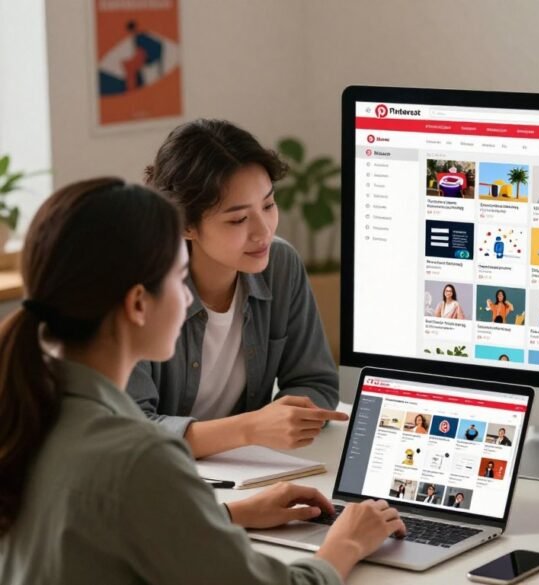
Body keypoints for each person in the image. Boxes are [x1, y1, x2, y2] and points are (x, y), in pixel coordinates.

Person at [0, 178, 405, 584]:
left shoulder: (29, 411)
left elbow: (106, 529)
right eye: (180, 279)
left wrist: (226, 514)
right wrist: (347, 542)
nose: (190, 298)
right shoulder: (139, 457)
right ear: (138, 304)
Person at [126, 119, 341, 459]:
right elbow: (129, 433)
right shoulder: (137, 290)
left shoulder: (280, 264)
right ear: (185, 224)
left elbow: (315, 381)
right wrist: (252, 428)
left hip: (245, 470)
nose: (263, 232)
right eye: (238, 219)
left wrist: (287, 419)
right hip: (161, 480)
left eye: (268, 206)